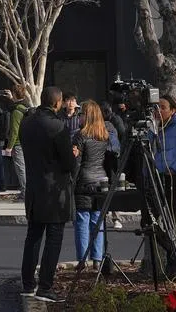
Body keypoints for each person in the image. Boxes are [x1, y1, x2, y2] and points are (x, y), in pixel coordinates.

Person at [19, 86, 75, 305]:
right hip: (54, 191)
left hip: (34, 187)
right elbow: (68, 163)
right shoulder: (57, 126)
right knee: (54, 238)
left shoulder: (26, 123)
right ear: (57, 103)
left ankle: (27, 284)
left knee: (33, 236)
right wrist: (73, 156)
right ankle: (45, 286)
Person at [73, 100, 110, 269]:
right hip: (101, 179)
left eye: (81, 114)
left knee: (82, 220)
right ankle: (97, 258)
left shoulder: (80, 135)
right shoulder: (104, 135)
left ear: (87, 116)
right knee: (97, 220)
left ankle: (82, 260)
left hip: (84, 180)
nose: (78, 117)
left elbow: (77, 163)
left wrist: (71, 183)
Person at [154, 95, 176, 218]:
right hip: (156, 176)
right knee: (153, 213)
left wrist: (174, 168)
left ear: (173, 110)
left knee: (170, 215)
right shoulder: (153, 127)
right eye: (157, 107)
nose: (159, 111)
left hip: (174, 176)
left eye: (163, 108)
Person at [99, 100, 125, 230]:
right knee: (112, 187)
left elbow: (122, 136)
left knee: (108, 188)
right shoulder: (113, 122)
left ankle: (112, 217)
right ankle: (115, 218)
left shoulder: (111, 123)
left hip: (108, 160)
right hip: (111, 160)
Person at [6, 85, 30, 198]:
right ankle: (26, 191)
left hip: (18, 144)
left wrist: (9, 147)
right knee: (25, 168)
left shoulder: (16, 111)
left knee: (20, 169)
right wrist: (12, 98)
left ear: (15, 94)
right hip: (26, 142)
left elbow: (14, 131)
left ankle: (25, 193)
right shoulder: (25, 107)